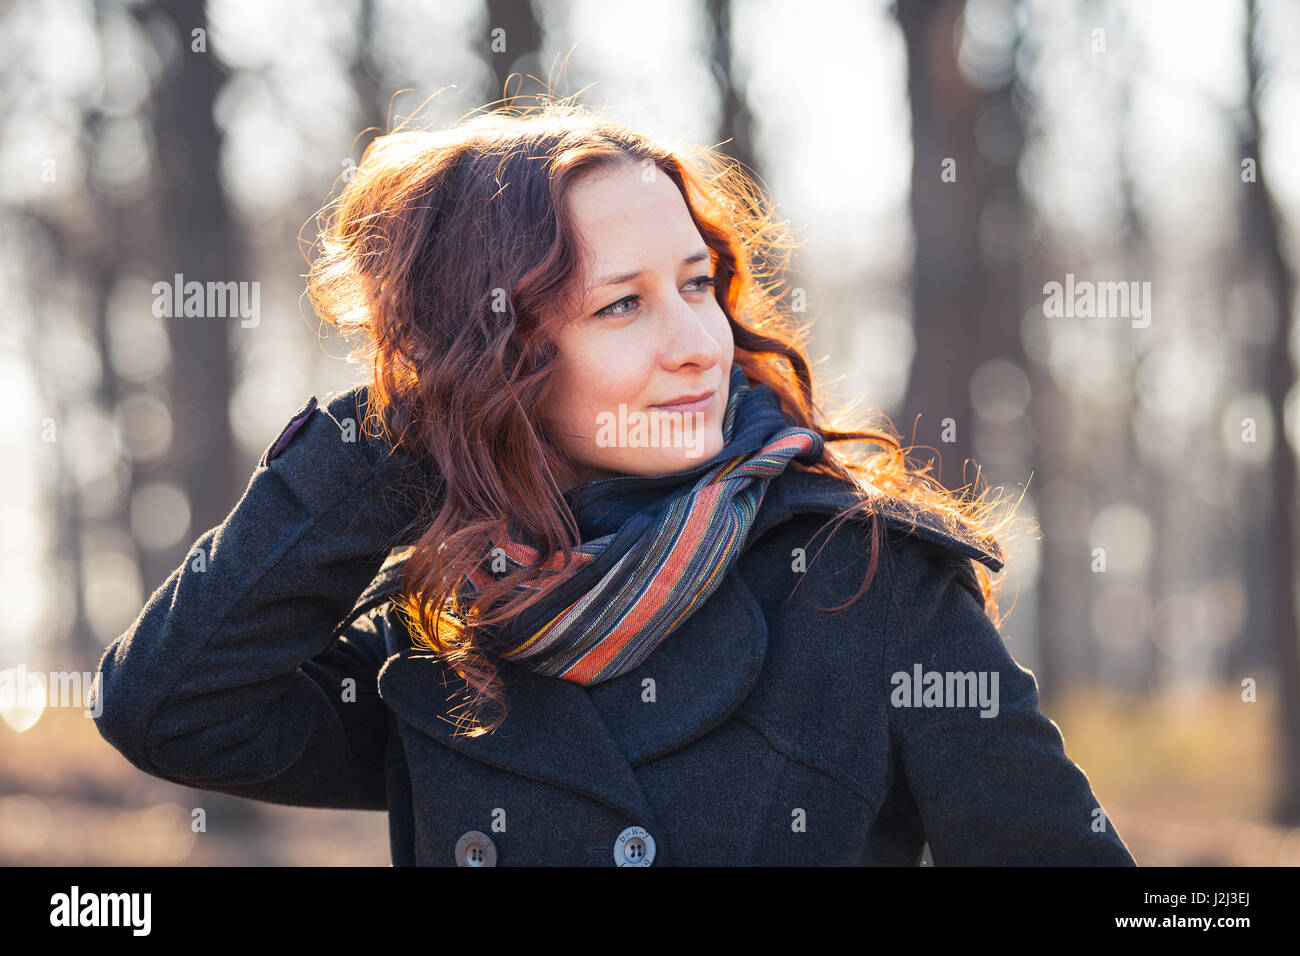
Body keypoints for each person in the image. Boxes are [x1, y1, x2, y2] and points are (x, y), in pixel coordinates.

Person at [92, 99, 1137, 867]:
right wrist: (397, 425)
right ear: (493, 357)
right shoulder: (449, 639)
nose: (698, 344)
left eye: (696, 285)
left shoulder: (868, 583)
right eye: (620, 306)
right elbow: (170, 707)